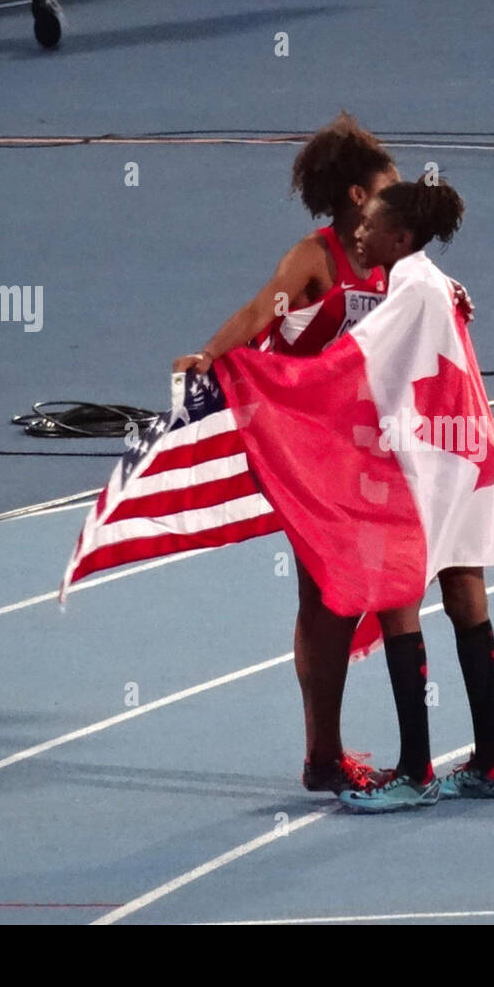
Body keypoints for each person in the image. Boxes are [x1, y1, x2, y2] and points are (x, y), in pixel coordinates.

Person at [172, 113, 398, 795]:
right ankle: (322, 754)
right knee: (325, 602)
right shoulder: (314, 258)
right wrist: (209, 356)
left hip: (376, 447)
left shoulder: (394, 253)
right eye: (389, 182)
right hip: (312, 452)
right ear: (358, 195)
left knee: (377, 591)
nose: (401, 191)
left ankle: (338, 752)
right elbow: (257, 315)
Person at [335, 179, 494, 813]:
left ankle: (415, 773)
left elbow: (348, 367)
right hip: (467, 456)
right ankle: (489, 761)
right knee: (464, 593)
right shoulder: (430, 281)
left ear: (401, 237)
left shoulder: (410, 289)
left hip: (426, 471)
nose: (359, 230)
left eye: (371, 223)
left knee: (398, 602)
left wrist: (264, 382)